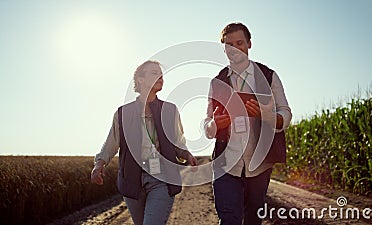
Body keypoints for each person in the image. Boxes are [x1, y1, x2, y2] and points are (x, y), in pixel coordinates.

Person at [204, 22, 292, 224]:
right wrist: (215, 124)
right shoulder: (216, 82)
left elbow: (285, 114)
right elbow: (207, 125)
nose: (234, 49)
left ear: (250, 44)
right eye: (229, 45)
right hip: (226, 164)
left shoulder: (269, 76)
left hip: (259, 164)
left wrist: (267, 116)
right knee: (229, 219)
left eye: (239, 43)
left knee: (253, 219)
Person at [91, 60, 198, 225]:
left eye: (161, 74)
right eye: (154, 73)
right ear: (140, 79)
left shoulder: (170, 110)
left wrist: (186, 154)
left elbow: (178, 141)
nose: (161, 77)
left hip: (162, 179)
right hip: (132, 180)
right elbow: (111, 143)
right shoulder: (123, 113)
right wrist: (99, 165)